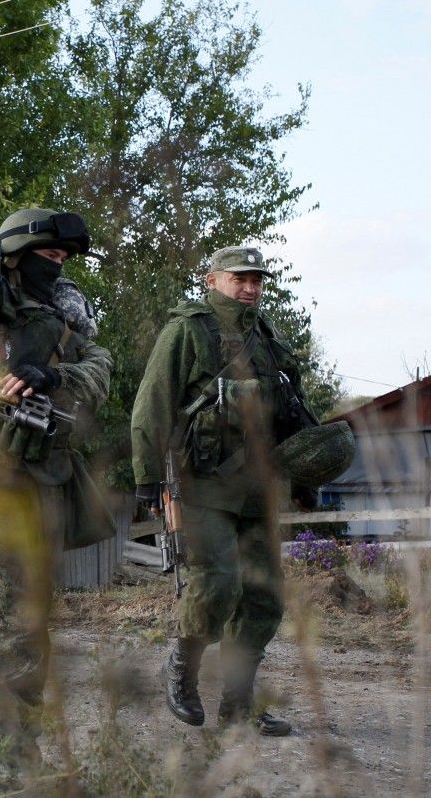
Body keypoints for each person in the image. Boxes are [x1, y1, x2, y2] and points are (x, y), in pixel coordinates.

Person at [0, 208, 112, 760]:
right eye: (46, 257)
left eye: (63, 260)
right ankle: (18, 750)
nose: (55, 269)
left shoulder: (65, 311)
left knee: (11, 610)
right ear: (17, 255)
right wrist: (1, 244)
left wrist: (53, 375)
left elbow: (101, 369)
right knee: (16, 619)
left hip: (44, 470)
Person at [131, 246, 312, 737]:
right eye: (240, 279)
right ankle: (181, 671)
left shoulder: (268, 336)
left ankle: (238, 705)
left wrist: (306, 476)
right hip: (203, 484)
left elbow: (292, 410)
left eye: (257, 279)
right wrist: (147, 476)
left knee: (264, 599)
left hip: (258, 487)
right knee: (215, 586)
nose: (251, 287)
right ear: (212, 280)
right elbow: (152, 404)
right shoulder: (187, 330)